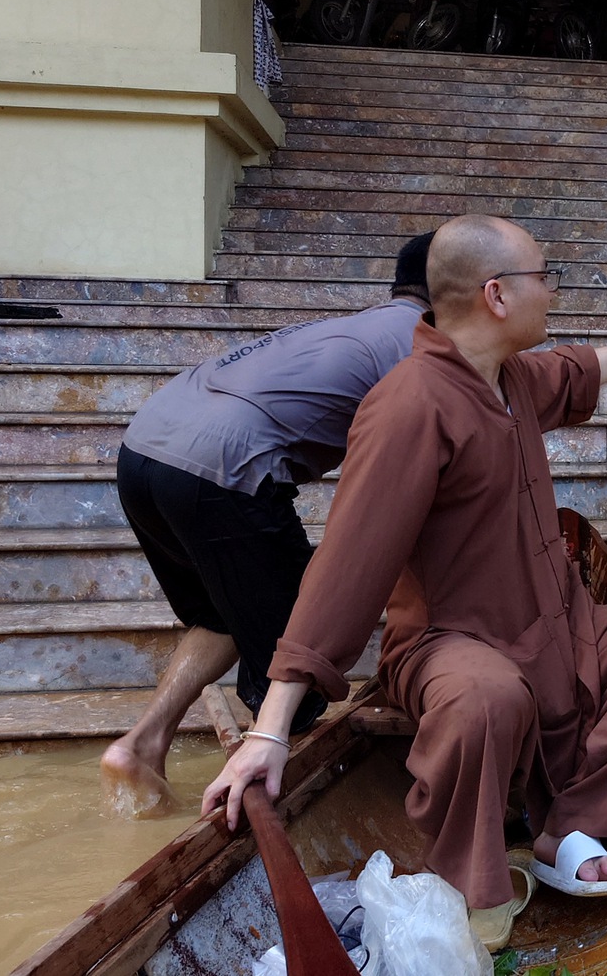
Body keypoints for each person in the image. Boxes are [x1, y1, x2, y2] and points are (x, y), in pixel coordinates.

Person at [203, 215, 607, 916]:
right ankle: (470, 893)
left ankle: (574, 822)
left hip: (559, 626)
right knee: (488, 696)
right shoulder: (410, 404)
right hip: (451, 643)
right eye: (543, 277)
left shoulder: (509, 376)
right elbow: (344, 571)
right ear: (497, 294)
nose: (551, 292)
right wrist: (270, 731)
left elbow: (576, 368)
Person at [100, 232, 437, 816]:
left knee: (223, 613)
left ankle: (143, 743)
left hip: (144, 453)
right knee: (295, 661)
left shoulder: (361, 326)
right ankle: (264, 798)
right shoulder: (420, 344)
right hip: (220, 472)